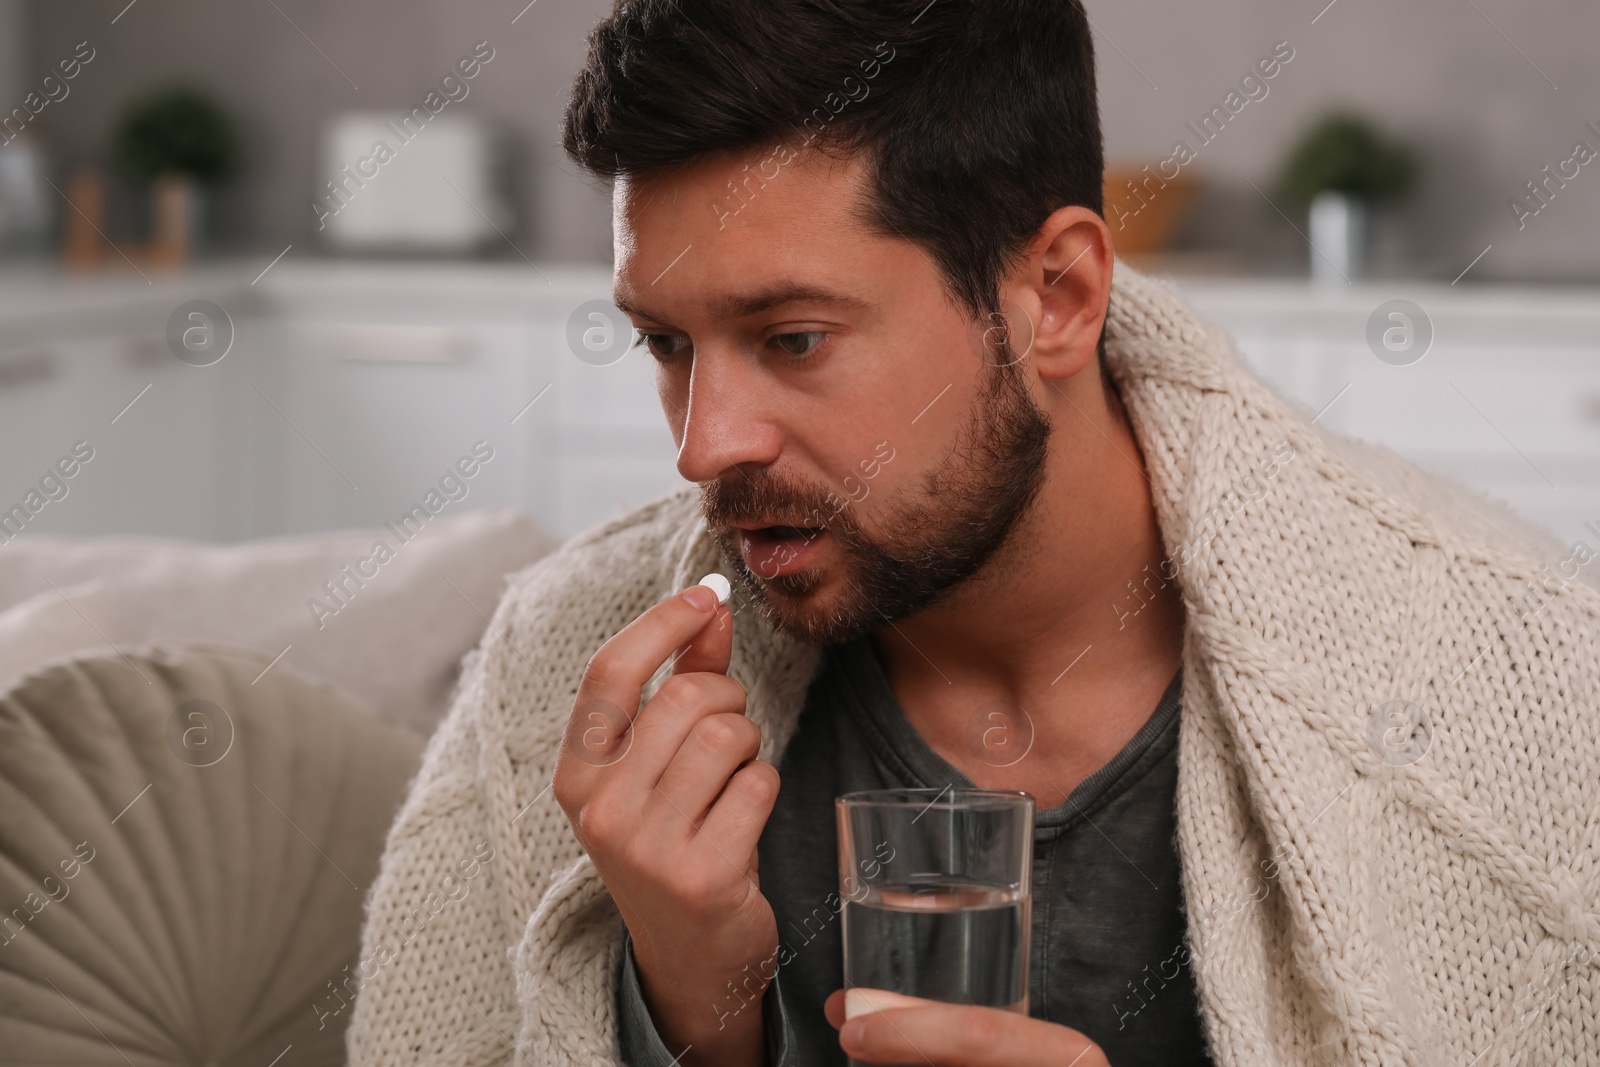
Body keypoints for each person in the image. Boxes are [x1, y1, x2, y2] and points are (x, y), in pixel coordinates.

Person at [345, 1, 1600, 1065]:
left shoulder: (1530, 687)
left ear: (1054, 295)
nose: (704, 443)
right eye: (667, 344)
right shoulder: (564, 664)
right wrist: (694, 1012)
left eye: (793, 338)